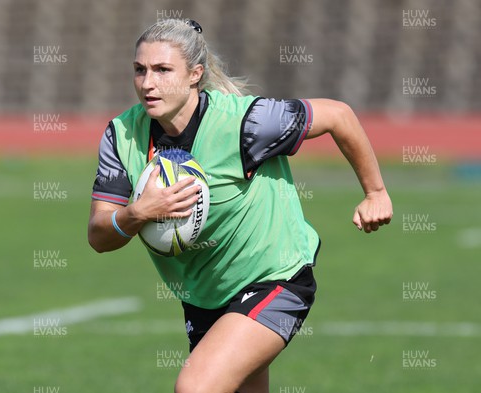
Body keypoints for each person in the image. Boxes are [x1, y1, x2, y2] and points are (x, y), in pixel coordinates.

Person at [88, 19, 392, 393]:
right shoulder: (122, 135)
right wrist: (138, 213)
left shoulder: (245, 123)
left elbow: (339, 115)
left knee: (196, 387)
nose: (148, 83)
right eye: (139, 70)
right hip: (204, 296)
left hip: (276, 276)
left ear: (195, 75)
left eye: (162, 70)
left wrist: (375, 192)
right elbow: (100, 236)